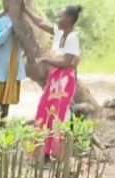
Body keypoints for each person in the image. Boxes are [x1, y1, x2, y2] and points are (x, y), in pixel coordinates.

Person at [22, 1, 82, 159]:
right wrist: (26, 9)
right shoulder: (59, 32)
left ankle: (54, 155)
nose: (57, 18)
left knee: (58, 116)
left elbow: (67, 63)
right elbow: (40, 22)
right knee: (44, 111)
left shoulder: (72, 38)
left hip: (64, 83)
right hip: (54, 81)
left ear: (68, 20)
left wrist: (45, 60)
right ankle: (42, 152)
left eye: (60, 15)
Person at [0, 0, 25, 119]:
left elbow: (26, 43)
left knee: (5, 104)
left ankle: (1, 129)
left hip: (13, 67)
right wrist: (10, 28)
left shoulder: (22, 21)